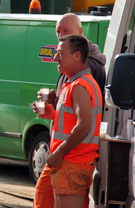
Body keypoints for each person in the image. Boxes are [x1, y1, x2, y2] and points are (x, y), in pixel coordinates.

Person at [33, 13, 106, 208]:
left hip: (71, 160)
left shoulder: (80, 83)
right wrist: (52, 112)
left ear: (77, 55)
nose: (56, 57)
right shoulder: (72, 80)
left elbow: (83, 125)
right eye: (58, 32)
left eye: (60, 53)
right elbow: (71, 116)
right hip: (68, 159)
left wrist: (59, 153)